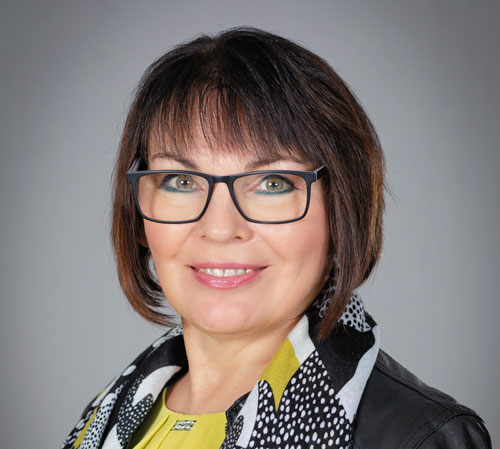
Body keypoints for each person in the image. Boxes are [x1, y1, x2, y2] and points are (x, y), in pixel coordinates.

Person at [61, 27, 491, 449]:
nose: (220, 228)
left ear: (342, 210)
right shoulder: (107, 416)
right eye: (181, 181)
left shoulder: (418, 438)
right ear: (138, 211)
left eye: (271, 183)